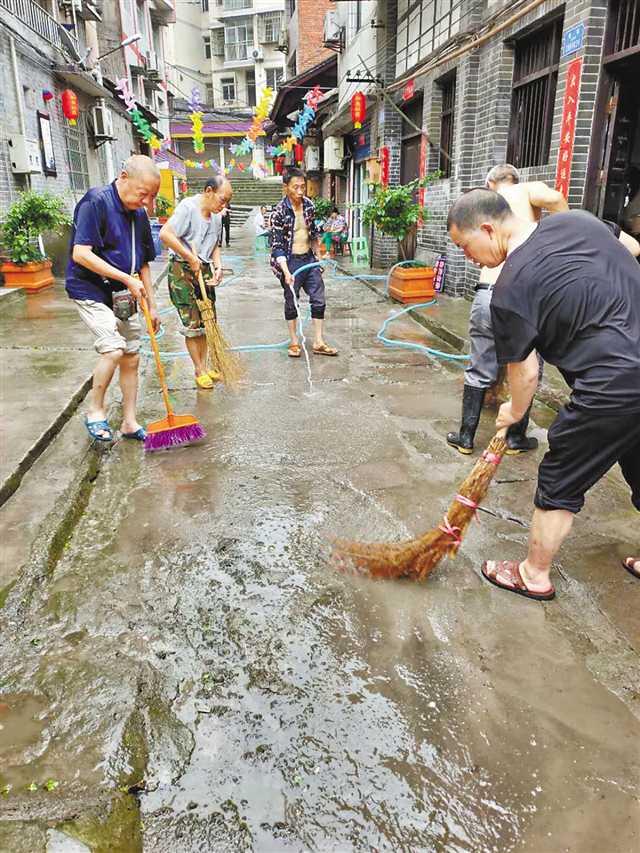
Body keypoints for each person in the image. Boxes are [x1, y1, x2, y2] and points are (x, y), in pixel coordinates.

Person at [447, 189, 640, 599]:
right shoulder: (579, 220)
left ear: (487, 228)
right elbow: (633, 248)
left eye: (465, 246)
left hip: (611, 384)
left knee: (560, 477)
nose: (468, 258)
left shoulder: (510, 289)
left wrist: (513, 412)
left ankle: (532, 575)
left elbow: (527, 372)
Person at [447, 164, 569, 456]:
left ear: (490, 184)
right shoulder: (527, 191)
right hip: (523, 296)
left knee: (480, 365)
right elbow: (555, 198)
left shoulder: (487, 205)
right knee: (528, 366)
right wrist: (561, 237)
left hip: (486, 294)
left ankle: (466, 436)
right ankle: (515, 438)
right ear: (515, 178)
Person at [66, 154, 160, 443]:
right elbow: (81, 253)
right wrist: (126, 278)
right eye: (143, 194)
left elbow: (143, 263)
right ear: (123, 178)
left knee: (131, 355)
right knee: (113, 349)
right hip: (90, 289)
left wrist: (152, 306)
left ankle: (129, 422)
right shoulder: (96, 202)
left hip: (123, 294)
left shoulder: (139, 214)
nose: (147, 202)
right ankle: (96, 411)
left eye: (152, 197)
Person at [159, 175, 233, 389]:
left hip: (204, 267)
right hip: (182, 269)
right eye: (222, 199)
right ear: (209, 191)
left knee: (207, 320)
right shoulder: (188, 208)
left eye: (227, 201)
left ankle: (206, 366)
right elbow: (165, 234)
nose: (224, 205)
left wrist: (218, 267)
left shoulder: (217, 216)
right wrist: (189, 257)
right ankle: (199, 369)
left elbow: (214, 244)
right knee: (193, 323)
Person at [270, 168, 338, 358]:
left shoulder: (309, 205)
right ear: (286, 187)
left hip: (308, 259)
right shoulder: (278, 212)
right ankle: (294, 342)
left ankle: (318, 341)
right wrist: (286, 272)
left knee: (319, 298)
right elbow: (277, 246)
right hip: (290, 261)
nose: (300, 191)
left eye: (303, 187)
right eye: (296, 187)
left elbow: (313, 233)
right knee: (292, 301)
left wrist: (319, 257)